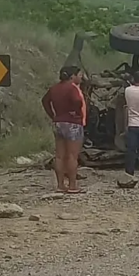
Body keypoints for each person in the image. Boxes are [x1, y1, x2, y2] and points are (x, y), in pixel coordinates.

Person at [42, 65, 86, 194]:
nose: (81, 77)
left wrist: (53, 115)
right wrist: (76, 111)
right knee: (72, 155)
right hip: (73, 123)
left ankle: (60, 185)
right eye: (79, 75)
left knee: (60, 155)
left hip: (58, 122)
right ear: (72, 76)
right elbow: (77, 100)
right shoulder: (73, 88)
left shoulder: (54, 88)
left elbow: (45, 101)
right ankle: (72, 185)